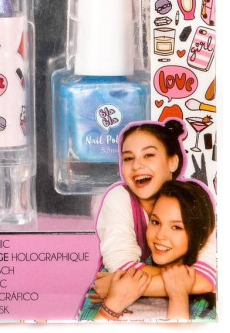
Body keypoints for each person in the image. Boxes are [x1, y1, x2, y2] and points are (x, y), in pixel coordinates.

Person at [85, 119, 216, 314]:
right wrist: (185, 281)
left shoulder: (193, 201)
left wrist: (116, 284)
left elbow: (205, 278)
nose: (136, 165)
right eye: (128, 158)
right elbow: (122, 268)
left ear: (173, 162)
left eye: (148, 155)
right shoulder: (119, 199)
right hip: (114, 307)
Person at [96, 179, 216, 321]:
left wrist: (178, 295)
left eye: (176, 227)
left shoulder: (210, 301)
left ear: (198, 234)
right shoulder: (119, 273)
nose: (160, 235)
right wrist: (113, 305)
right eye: (156, 222)